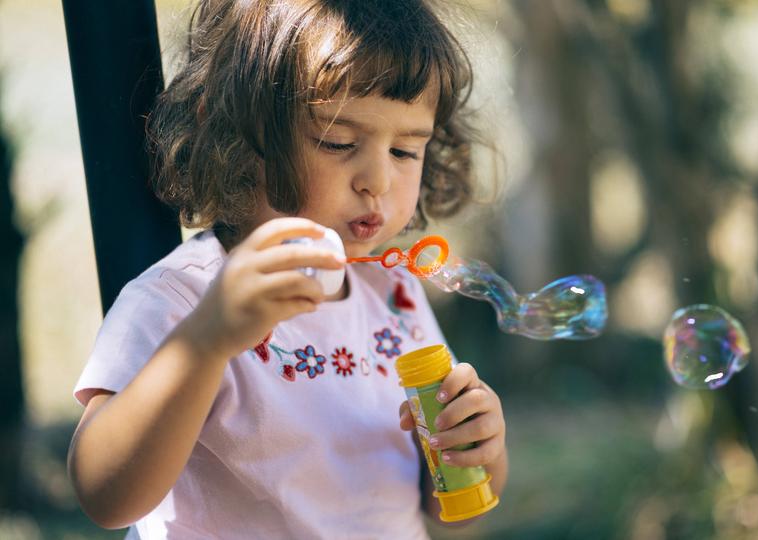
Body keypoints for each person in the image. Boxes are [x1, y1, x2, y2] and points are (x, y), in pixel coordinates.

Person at [67, 1, 508, 537]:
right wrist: (208, 340)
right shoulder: (183, 300)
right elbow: (103, 494)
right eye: (339, 142)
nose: (378, 180)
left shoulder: (394, 296)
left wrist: (472, 447)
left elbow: (445, 507)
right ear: (234, 133)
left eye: (405, 150)